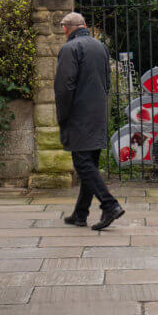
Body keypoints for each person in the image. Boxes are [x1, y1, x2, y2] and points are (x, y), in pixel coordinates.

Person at [55, 12, 124, 231]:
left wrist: (63, 115)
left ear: (67, 29)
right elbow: (106, 82)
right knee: (90, 164)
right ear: (84, 26)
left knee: (83, 163)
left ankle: (109, 204)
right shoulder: (100, 47)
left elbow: (64, 87)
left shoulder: (69, 49)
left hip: (79, 115)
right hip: (98, 113)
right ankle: (80, 213)